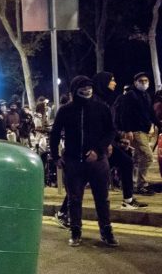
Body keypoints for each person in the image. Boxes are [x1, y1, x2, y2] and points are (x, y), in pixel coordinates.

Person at [50, 75, 118, 247]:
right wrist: (56, 157)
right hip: (73, 162)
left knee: (102, 198)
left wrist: (98, 150)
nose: (87, 90)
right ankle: (75, 231)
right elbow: (55, 134)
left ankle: (106, 231)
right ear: (74, 90)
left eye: (89, 87)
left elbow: (111, 132)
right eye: (83, 87)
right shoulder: (65, 110)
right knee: (74, 199)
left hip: (98, 162)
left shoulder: (101, 108)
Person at [93, 71, 147, 209]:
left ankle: (128, 200)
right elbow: (97, 127)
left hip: (106, 145)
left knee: (126, 162)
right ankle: (65, 211)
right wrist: (109, 144)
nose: (115, 83)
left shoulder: (105, 100)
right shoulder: (95, 102)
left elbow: (109, 126)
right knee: (87, 176)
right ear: (104, 83)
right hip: (96, 147)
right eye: (112, 80)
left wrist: (119, 138)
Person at [114, 72, 162, 195]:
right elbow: (125, 114)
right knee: (148, 156)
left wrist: (158, 124)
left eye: (146, 81)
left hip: (145, 130)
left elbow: (150, 113)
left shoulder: (145, 95)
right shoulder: (131, 95)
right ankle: (142, 184)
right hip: (136, 130)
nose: (144, 83)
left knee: (137, 158)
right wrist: (128, 130)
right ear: (135, 82)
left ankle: (132, 184)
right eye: (141, 81)